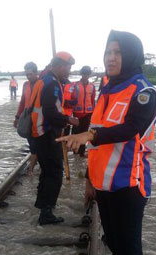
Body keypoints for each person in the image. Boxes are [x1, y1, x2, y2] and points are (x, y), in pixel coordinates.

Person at [57, 30, 156, 255]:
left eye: (117, 52)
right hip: (105, 184)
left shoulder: (144, 92)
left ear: (130, 55)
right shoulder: (108, 89)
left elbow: (130, 129)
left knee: (130, 252)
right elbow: (97, 131)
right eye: (107, 52)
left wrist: (88, 136)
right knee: (117, 245)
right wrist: (89, 177)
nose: (110, 57)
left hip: (128, 184)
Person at [29, 51, 79, 225]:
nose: (70, 70)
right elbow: (51, 112)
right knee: (55, 173)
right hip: (48, 134)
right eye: (68, 67)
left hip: (39, 134)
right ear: (59, 66)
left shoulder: (44, 80)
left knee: (47, 172)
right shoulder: (52, 84)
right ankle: (46, 212)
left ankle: (43, 206)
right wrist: (69, 119)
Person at [13, 61, 39, 175]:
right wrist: (17, 117)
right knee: (31, 142)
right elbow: (23, 102)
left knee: (36, 144)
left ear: (36, 73)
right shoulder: (25, 85)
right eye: (27, 74)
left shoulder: (42, 84)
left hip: (39, 119)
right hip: (27, 119)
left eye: (31, 74)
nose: (29, 76)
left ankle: (31, 167)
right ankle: (33, 165)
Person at [70, 65, 96, 156]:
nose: (85, 76)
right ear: (81, 74)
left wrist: (93, 113)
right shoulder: (75, 85)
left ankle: (81, 152)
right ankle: (75, 150)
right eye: (84, 74)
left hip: (88, 113)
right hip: (77, 113)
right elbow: (71, 100)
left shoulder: (92, 86)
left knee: (84, 133)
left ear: (89, 75)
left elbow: (93, 101)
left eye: (87, 74)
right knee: (76, 133)